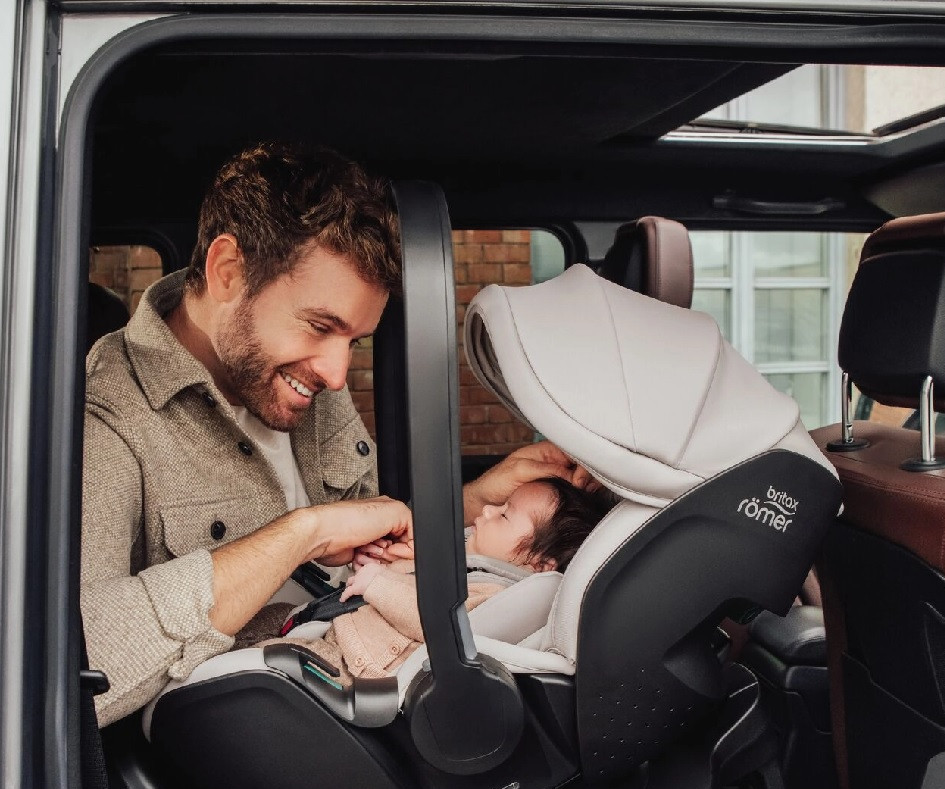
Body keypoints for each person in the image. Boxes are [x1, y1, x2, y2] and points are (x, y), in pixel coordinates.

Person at [81, 141, 588, 727]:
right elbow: (81, 660)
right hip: (256, 734)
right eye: (321, 326)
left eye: (353, 341)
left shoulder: (305, 376)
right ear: (228, 272)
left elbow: (368, 539)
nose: (337, 374)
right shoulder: (109, 418)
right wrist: (305, 534)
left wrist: (476, 501)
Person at [260, 478, 612, 681]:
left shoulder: (495, 591)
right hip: (342, 632)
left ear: (538, 563)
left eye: (505, 515)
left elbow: (438, 621)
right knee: (268, 615)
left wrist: (378, 582)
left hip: (350, 663)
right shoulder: (472, 568)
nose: (488, 510)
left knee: (255, 662)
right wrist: (384, 565)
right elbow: (412, 587)